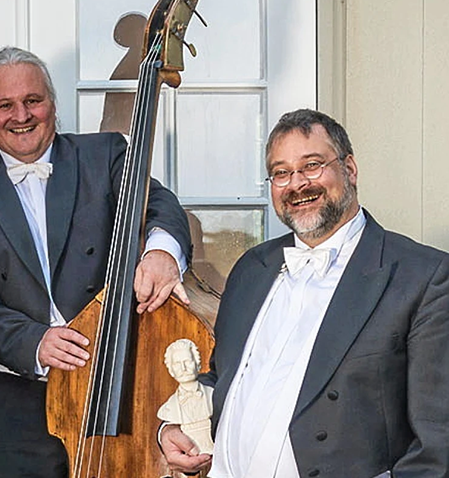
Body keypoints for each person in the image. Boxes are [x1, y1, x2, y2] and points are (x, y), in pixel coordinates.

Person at [0, 46, 192, 477]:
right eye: (5, 105)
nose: (21, 115)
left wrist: (162, 251)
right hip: (12, 394)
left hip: (110, 381)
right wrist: (34, 341)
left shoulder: (105, 155)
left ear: (52, 103)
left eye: (33, 101)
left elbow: (160, 204)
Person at [159, 109, 449, 478]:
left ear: (350, 169)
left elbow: (438, 446)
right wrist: (172, 428)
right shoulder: (252, 268)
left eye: (312, 165)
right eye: (281, 173)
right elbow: (222, 379)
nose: (297, 184)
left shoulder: (423, 277)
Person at [157, 339, 214, 454]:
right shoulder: (168, 408)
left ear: (197, 364)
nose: (183, 368)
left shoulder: (213, 395)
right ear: (171, 371)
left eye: (187, 362)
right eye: (177, 364)